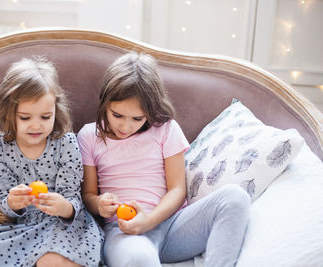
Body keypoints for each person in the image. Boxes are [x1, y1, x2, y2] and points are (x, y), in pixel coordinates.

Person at [77, 52, 251, 267]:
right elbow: (88, 195)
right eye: (117, 115)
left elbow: (177, 190)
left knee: (234, 197)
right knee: (140, 259)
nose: (125, 126)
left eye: (137, 119)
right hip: (124, 231)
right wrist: (99, 205)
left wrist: (149, 221)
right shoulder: (89, 136)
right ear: (105, 104)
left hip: (172, 225)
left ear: (150, 112)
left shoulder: (166, 129)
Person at [0, 57, 104, 267]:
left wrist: (64, 207)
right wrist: (13, 204)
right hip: (25, 227)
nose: (36, 126)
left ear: (55, 111)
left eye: (45, 117)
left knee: (51, 260)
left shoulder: (65, 142)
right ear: (9, 113)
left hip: (64, 225)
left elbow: (73, 198)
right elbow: (4, 200)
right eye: (25, 118)